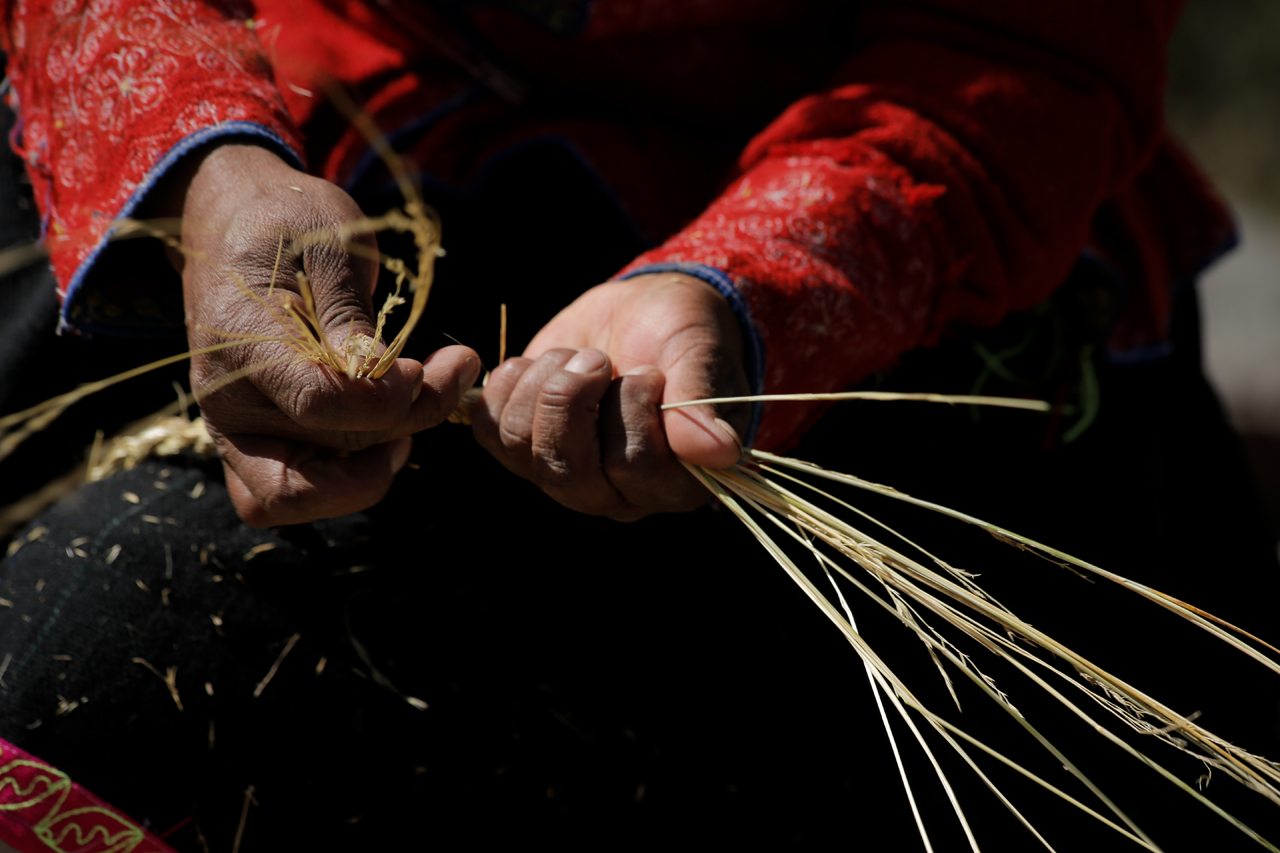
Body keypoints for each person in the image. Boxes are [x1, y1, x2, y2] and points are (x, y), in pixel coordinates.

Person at [1, 1, 1277, 849]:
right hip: (337, 170)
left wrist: (744, 280)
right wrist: (203, 159)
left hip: (891, 289)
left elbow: (1031, 48)